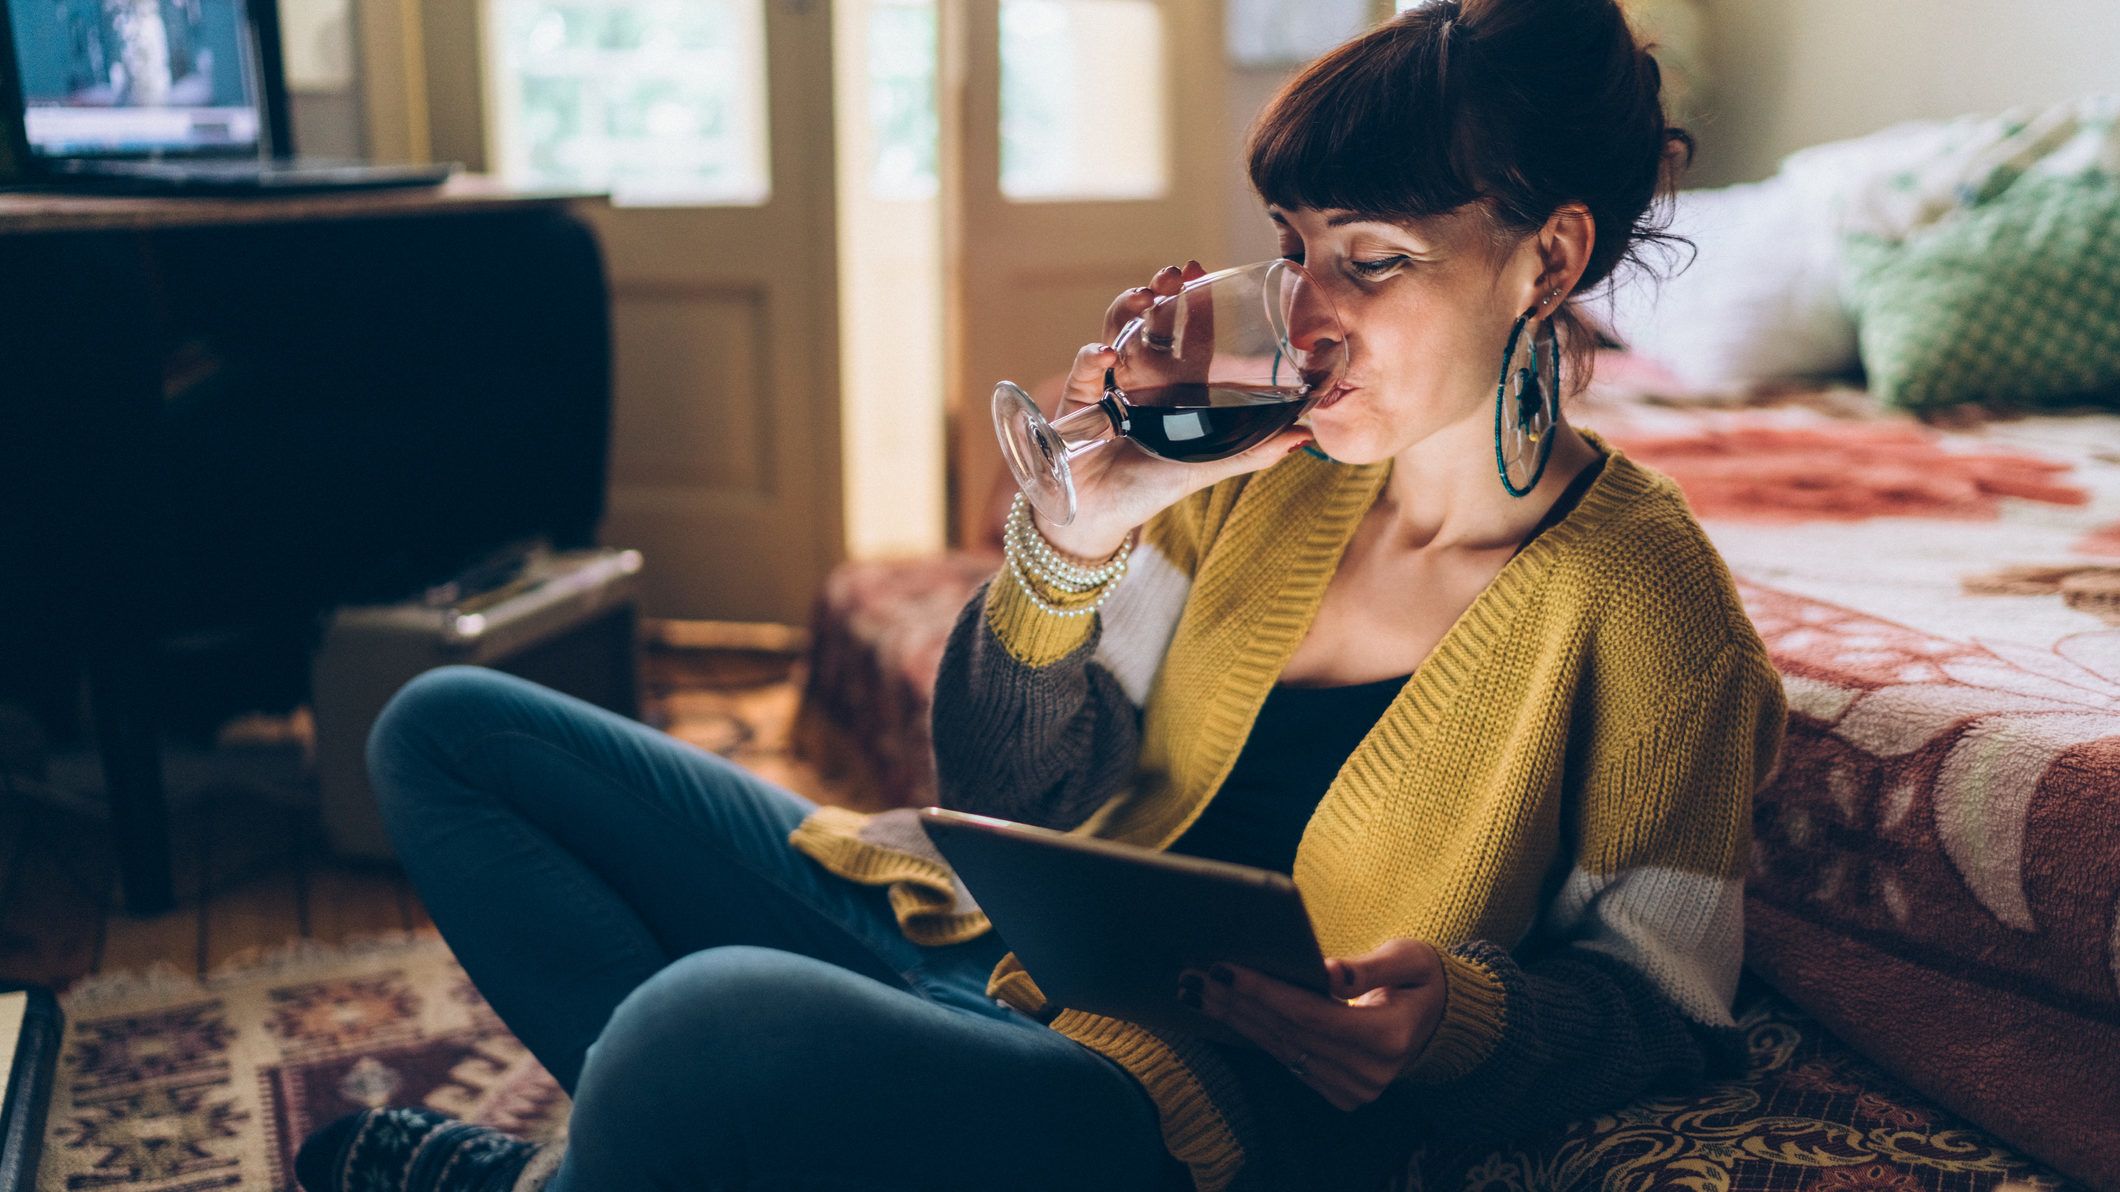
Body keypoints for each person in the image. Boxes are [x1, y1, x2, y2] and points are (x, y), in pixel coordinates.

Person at [295, 0, 1786, 1188]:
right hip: (996, 964)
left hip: (1168, 1110)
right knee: (451, 735)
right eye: (1294, 251)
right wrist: (1077, 541)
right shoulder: (1270, 483)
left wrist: (1456, 1021)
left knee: (702, 1025)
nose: (1307, 313)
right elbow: (1007, 787)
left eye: (1374, 261)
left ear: (1549, 262)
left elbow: (1667, 1011)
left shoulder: (1650, 613)